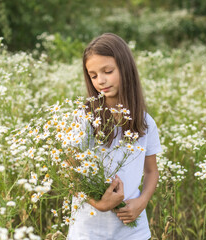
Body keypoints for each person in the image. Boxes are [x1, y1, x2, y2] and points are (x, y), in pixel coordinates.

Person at [67, 33, 162, 240]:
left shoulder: (145, 123)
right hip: (88, 230)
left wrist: (142, 202)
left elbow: (151, 171)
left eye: (107, 71)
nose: (100, 80)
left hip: (132, 230)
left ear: (126, 69)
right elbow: (69, 171)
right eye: (93, 75)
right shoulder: (84, 118)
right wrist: (99, 204)